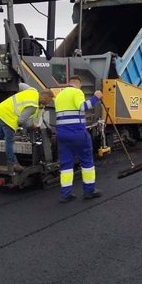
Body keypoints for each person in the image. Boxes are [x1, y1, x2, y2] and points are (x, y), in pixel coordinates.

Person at [0, 84, 54, 174]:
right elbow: (21, 121)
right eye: (49, 101)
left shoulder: (32, 90)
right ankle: (13, 163)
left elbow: (20, 85)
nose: (48, 103)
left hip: (1, 110)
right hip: (8, 117)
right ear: (45, 98)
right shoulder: (32, 106)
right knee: (9, 141)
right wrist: (32, 126)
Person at [54, 75, 103, 203]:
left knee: (66, 164)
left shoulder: (59, 95)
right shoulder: (77, 91)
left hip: (62, 133)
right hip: (77, 132)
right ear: (78, 84)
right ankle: (89, 191)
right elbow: (82, 107)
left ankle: (65, 194)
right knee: (86, 161)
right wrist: (96, 97)